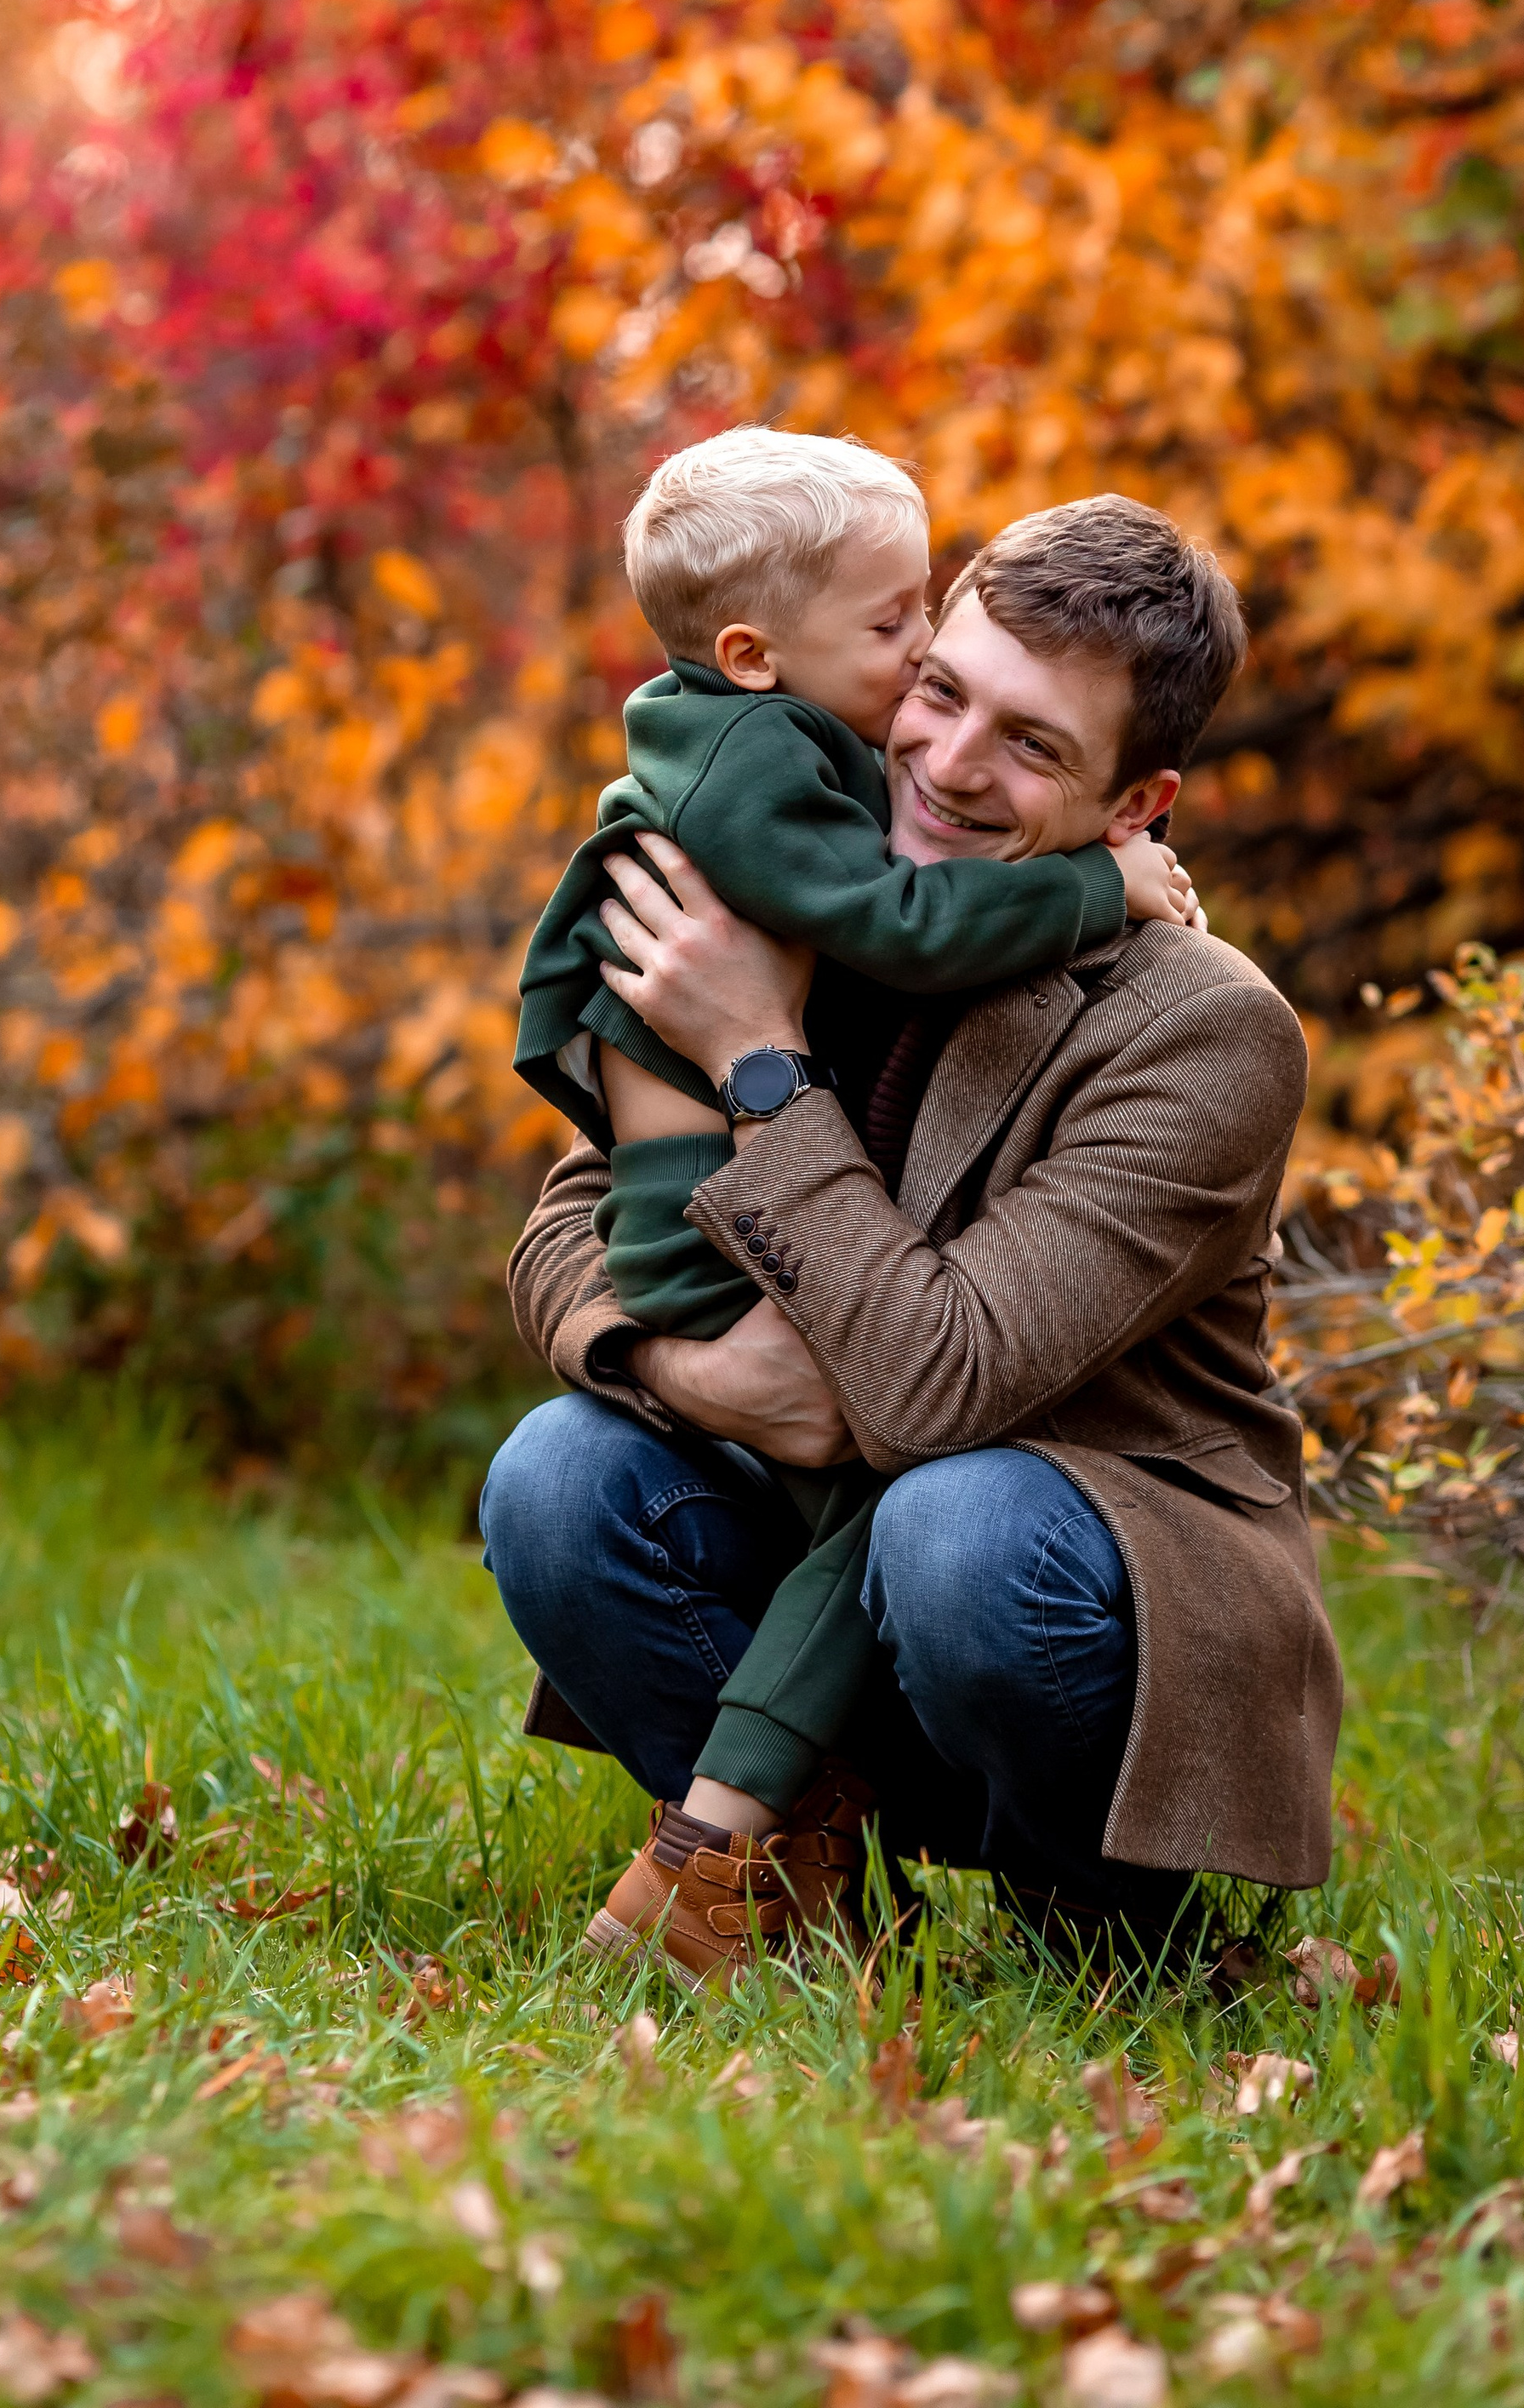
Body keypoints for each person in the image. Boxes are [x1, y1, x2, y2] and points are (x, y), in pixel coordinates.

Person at [482, 494, 1339, 1984]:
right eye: (940, 690)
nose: (946, 766)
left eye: (1035, 746)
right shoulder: (799, 888)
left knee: (963, 1527)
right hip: (824, 1549)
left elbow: (940, 1390)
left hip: (1069, 1596)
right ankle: (791, 1878)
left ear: (1137, 810)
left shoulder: (1205, 1030)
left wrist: (759, 1056)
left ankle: (1110, 1927)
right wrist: (684, 1374)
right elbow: (572, 1219)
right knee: (556, 1477)